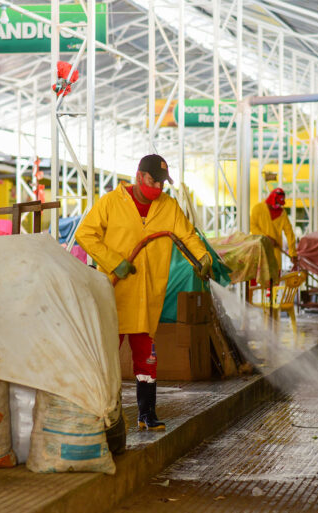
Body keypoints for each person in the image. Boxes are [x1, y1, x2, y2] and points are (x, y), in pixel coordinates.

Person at [75, 154, 211, 431]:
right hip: (113, 295)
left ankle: (146, 413)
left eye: (162, 184)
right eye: (153, 181)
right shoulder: (112, 203)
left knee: (147, 360)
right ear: (139, 177)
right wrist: (114, 262)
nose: (158, 188)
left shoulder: (168, 206)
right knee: (107, 357)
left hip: (147, 298)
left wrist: (203, 256)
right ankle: (104, 415)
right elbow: (85, 234)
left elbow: (187, 236)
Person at [249, 187, 298, 268]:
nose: (279, 206)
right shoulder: (257, 209)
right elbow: (252, 226)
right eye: (278, 203)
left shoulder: (282, 213)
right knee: (259, 274)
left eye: (280, 204)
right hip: (259, 249)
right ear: (271, 199)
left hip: (275, 251)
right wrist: (266, 238)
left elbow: (289, 233)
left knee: (275, 276)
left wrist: (293, 253)